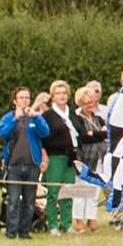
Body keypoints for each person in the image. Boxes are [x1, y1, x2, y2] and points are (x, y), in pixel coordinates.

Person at [0, 86, 50, 239]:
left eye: (27, 97)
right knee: (13, 200)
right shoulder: (8, 117)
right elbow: (3, 133)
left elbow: (45, 132)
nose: (24, 100)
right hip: (13, 166)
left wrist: (37, 117)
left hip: (32, 165)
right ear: (15, 101)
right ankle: (11, 232)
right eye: (21, 97)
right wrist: (15, 119)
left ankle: (25, 232)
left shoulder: (35, 117)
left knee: (29, 201)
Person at [41, 79, 82, 236]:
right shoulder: (48, 115)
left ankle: (66, 224)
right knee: (53, 192)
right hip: (55, 156)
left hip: (70, 156)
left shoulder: (72, 113)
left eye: (64, 93)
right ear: (53, 96)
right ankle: (52, 224)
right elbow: (43, 138)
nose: (62, 96)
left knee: (68, 191)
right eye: (58, 93)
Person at [72, 85, 107, 232]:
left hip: (99, 158)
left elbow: (107, 133)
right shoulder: (76, 118)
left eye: (92, 102)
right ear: (80, 103)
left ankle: (92, 219)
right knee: (80, 190)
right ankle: (79, 220)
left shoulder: (99, 118)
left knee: (95, 190)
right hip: (84, 158)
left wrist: (95, 133)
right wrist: (97, 134)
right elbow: (83, 137)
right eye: (87, 103)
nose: (90, 105)